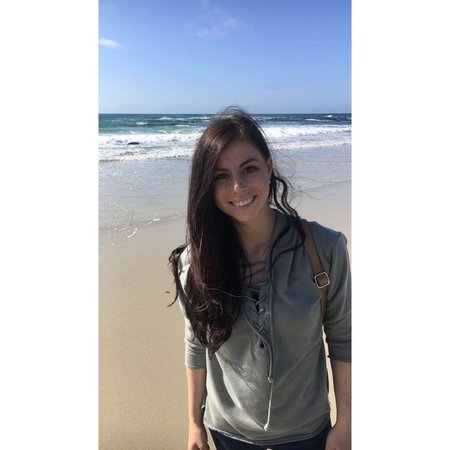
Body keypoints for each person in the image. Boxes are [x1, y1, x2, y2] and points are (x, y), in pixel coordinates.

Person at [169, 107, 351, 450]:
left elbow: (344, 339)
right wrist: (194, 423)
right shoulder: (194, 264)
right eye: (221, 176)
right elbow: (195, 344)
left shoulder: (324, 249)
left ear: (268, 167)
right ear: (207, 185)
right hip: (227, 433)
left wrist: (346, 423)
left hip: (308, 434)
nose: (237, 187)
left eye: (249, 169)